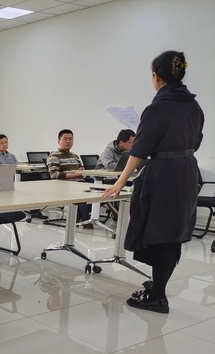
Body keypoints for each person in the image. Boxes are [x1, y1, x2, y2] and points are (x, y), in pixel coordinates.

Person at [104, 51, 204, 314]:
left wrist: (120, 182)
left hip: (164, 175)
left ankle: (158, 295)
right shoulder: (194, 106)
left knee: (158, 231)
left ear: (155, 76)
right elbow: (196, 141)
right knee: (172, 231)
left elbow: (139, 149)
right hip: (187, 172)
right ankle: (158, 285)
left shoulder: (158, 107)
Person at [46, 129, 92, 225]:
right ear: (59, 141)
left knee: (100, 188)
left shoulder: (75, 156)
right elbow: (54, 175)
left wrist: (82, 172)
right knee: (84, 191)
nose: (68, 141)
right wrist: (77, 174)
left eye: (70, 139)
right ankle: (85, 219)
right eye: (65, 139)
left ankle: (84, 216)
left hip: (81, 182)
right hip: (65, 185)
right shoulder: (54, 156)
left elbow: (82, 170)